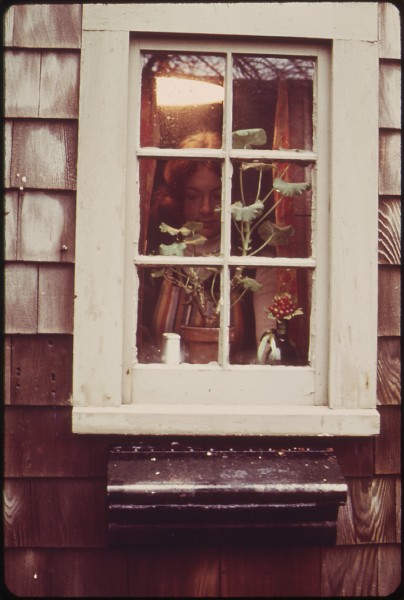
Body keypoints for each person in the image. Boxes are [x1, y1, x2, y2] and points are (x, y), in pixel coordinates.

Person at [140, 130, 276, 363]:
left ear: (233, 197)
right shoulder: (156, 258)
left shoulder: (253, 260)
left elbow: (268, 347)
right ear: (179, 199)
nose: (205, 208)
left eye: (217, 196)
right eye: (193, 196)